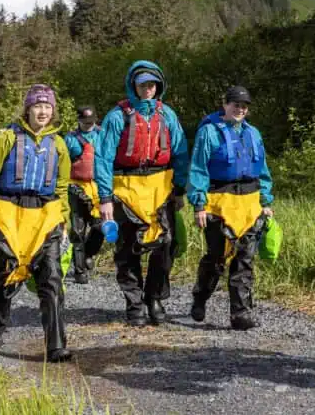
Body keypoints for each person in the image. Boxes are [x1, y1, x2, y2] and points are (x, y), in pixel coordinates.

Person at [0, 84, 73, 362]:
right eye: (38, 106)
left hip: (46, 214)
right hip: (8, 212)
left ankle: (56, 344)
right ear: (28, 109)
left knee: (51, 277)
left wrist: (65, 221)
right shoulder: (7, 138)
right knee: (6, 274)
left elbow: (62, 187)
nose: (43, 111)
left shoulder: (58, 144)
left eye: (48, 106)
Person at [95, 61, 190, 327]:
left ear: (158, 86)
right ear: (133, 85)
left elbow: (180, 153)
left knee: (166, 245)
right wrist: (104, 198)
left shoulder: (167, 115)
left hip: (160, 187)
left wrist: (180, 189)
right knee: (128, 251)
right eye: (142, 84)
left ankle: (154, 298)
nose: (147, 89)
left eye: (151, 84)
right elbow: (102, 158)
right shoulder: (117, 116)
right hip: (126, 188)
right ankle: (134, 303)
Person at [187, 86, 274, 330]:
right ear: (224, 104)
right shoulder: (209, 133)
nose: (240, 109)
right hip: (219, 201)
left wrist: (265, 202)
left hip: (249, 202)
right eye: (235, 104)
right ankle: (200, 297)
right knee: (217, 258)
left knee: (244, 260)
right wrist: (199, 205)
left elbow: (263, 170)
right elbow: (198, 170)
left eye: (244, 106)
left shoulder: (253, 134)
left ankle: (240, 315)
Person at [63, 105, 105, 284]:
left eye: (91, 121)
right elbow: (62, 165)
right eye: (85, 121)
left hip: (98, 186)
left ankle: (88, 253)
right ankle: (80, 271)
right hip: (76, 187)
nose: (88, 125)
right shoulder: (70, 139)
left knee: (100, 226)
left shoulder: (102, 135)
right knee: (78, 231)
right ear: (78, 120)